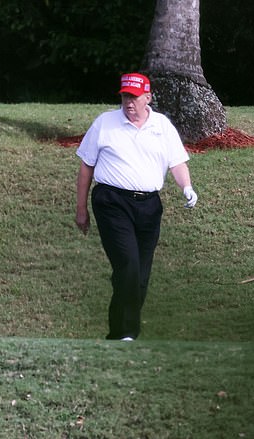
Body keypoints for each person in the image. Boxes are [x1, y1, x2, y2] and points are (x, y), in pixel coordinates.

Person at [75, 72, 198, 341]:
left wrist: (186, 187)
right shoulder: (105, 123)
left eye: (134, 96)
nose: (129, 102)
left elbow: (177, 162)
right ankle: (127, 334)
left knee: (139, 275)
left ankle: (118, 334)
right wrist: (81, 209)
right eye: (125, 96)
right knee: (128, 266)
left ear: (148, 98)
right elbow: (86, 167)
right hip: (112, 202)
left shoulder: (162, 126)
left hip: (149, 206)